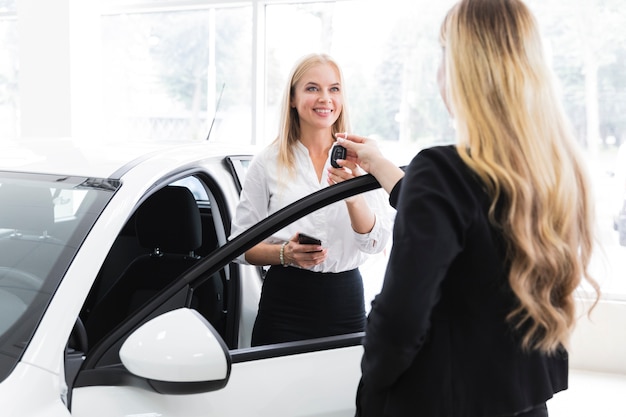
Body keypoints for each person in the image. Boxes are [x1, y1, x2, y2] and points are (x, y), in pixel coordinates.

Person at [337, 0, 601, 416]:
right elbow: (470, 220)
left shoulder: (441, 171)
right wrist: (380, 165)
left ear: (464, 68)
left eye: (444, 53)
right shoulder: (554, 174)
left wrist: (372, 379)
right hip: (523, 402)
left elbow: (400, 323)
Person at [230, 53, 392, 346]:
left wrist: (354, 198)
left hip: (345, 303)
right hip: (284, 305)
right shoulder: (267, 162)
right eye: (312, 88)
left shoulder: (362, 157)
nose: (325, 98)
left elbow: (376, 244)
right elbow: (240, 246)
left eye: (334, 89)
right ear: (292, 98)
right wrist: (285, 254)